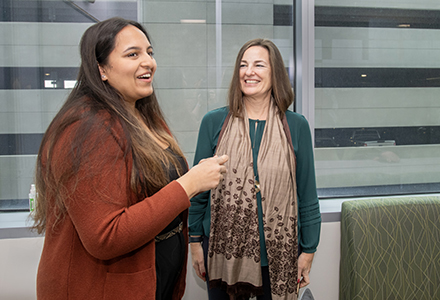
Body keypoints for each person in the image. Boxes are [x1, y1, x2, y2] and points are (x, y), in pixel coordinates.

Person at [31, 17, 228, 300]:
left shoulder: (138, 115)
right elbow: (105, 236)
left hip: (152, 281)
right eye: (132, 54)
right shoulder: (88, 128)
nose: (148, 61)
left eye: (149, 52)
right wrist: (189, 185)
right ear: (101, 69)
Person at [188, 38, 321, 300]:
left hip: (279, 255)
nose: (249, 72)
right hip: (223, 253)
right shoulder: (214, 122)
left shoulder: (296, 126)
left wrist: (308, 250)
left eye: (259, 65)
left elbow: (307, 194)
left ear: (276, 74)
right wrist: (194, 241)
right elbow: (198, 190)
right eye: (243, 65)